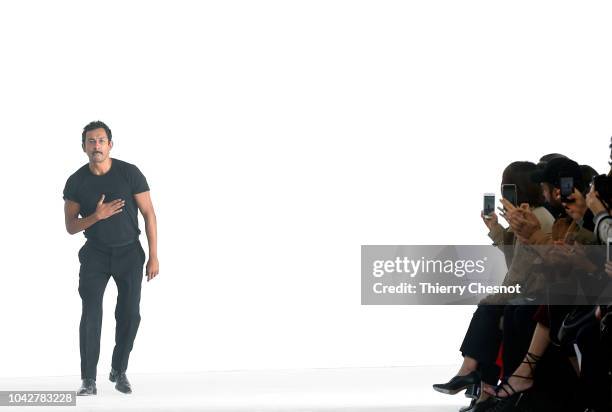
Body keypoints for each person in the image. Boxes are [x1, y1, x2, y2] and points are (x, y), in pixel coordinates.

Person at [63, 121, 159, 395]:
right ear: (84, 147)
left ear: (110, 145)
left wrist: (154, 256)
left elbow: (149, 214)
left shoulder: (129, 173)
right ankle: (88, 379)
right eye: (91, 141)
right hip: (95, 254)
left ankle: (119, 369)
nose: (96, 146)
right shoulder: (76, 181)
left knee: (130, 315)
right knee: (91, 314)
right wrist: (96, 216)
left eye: (101, 141)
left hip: (130, 252)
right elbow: (70, 226)